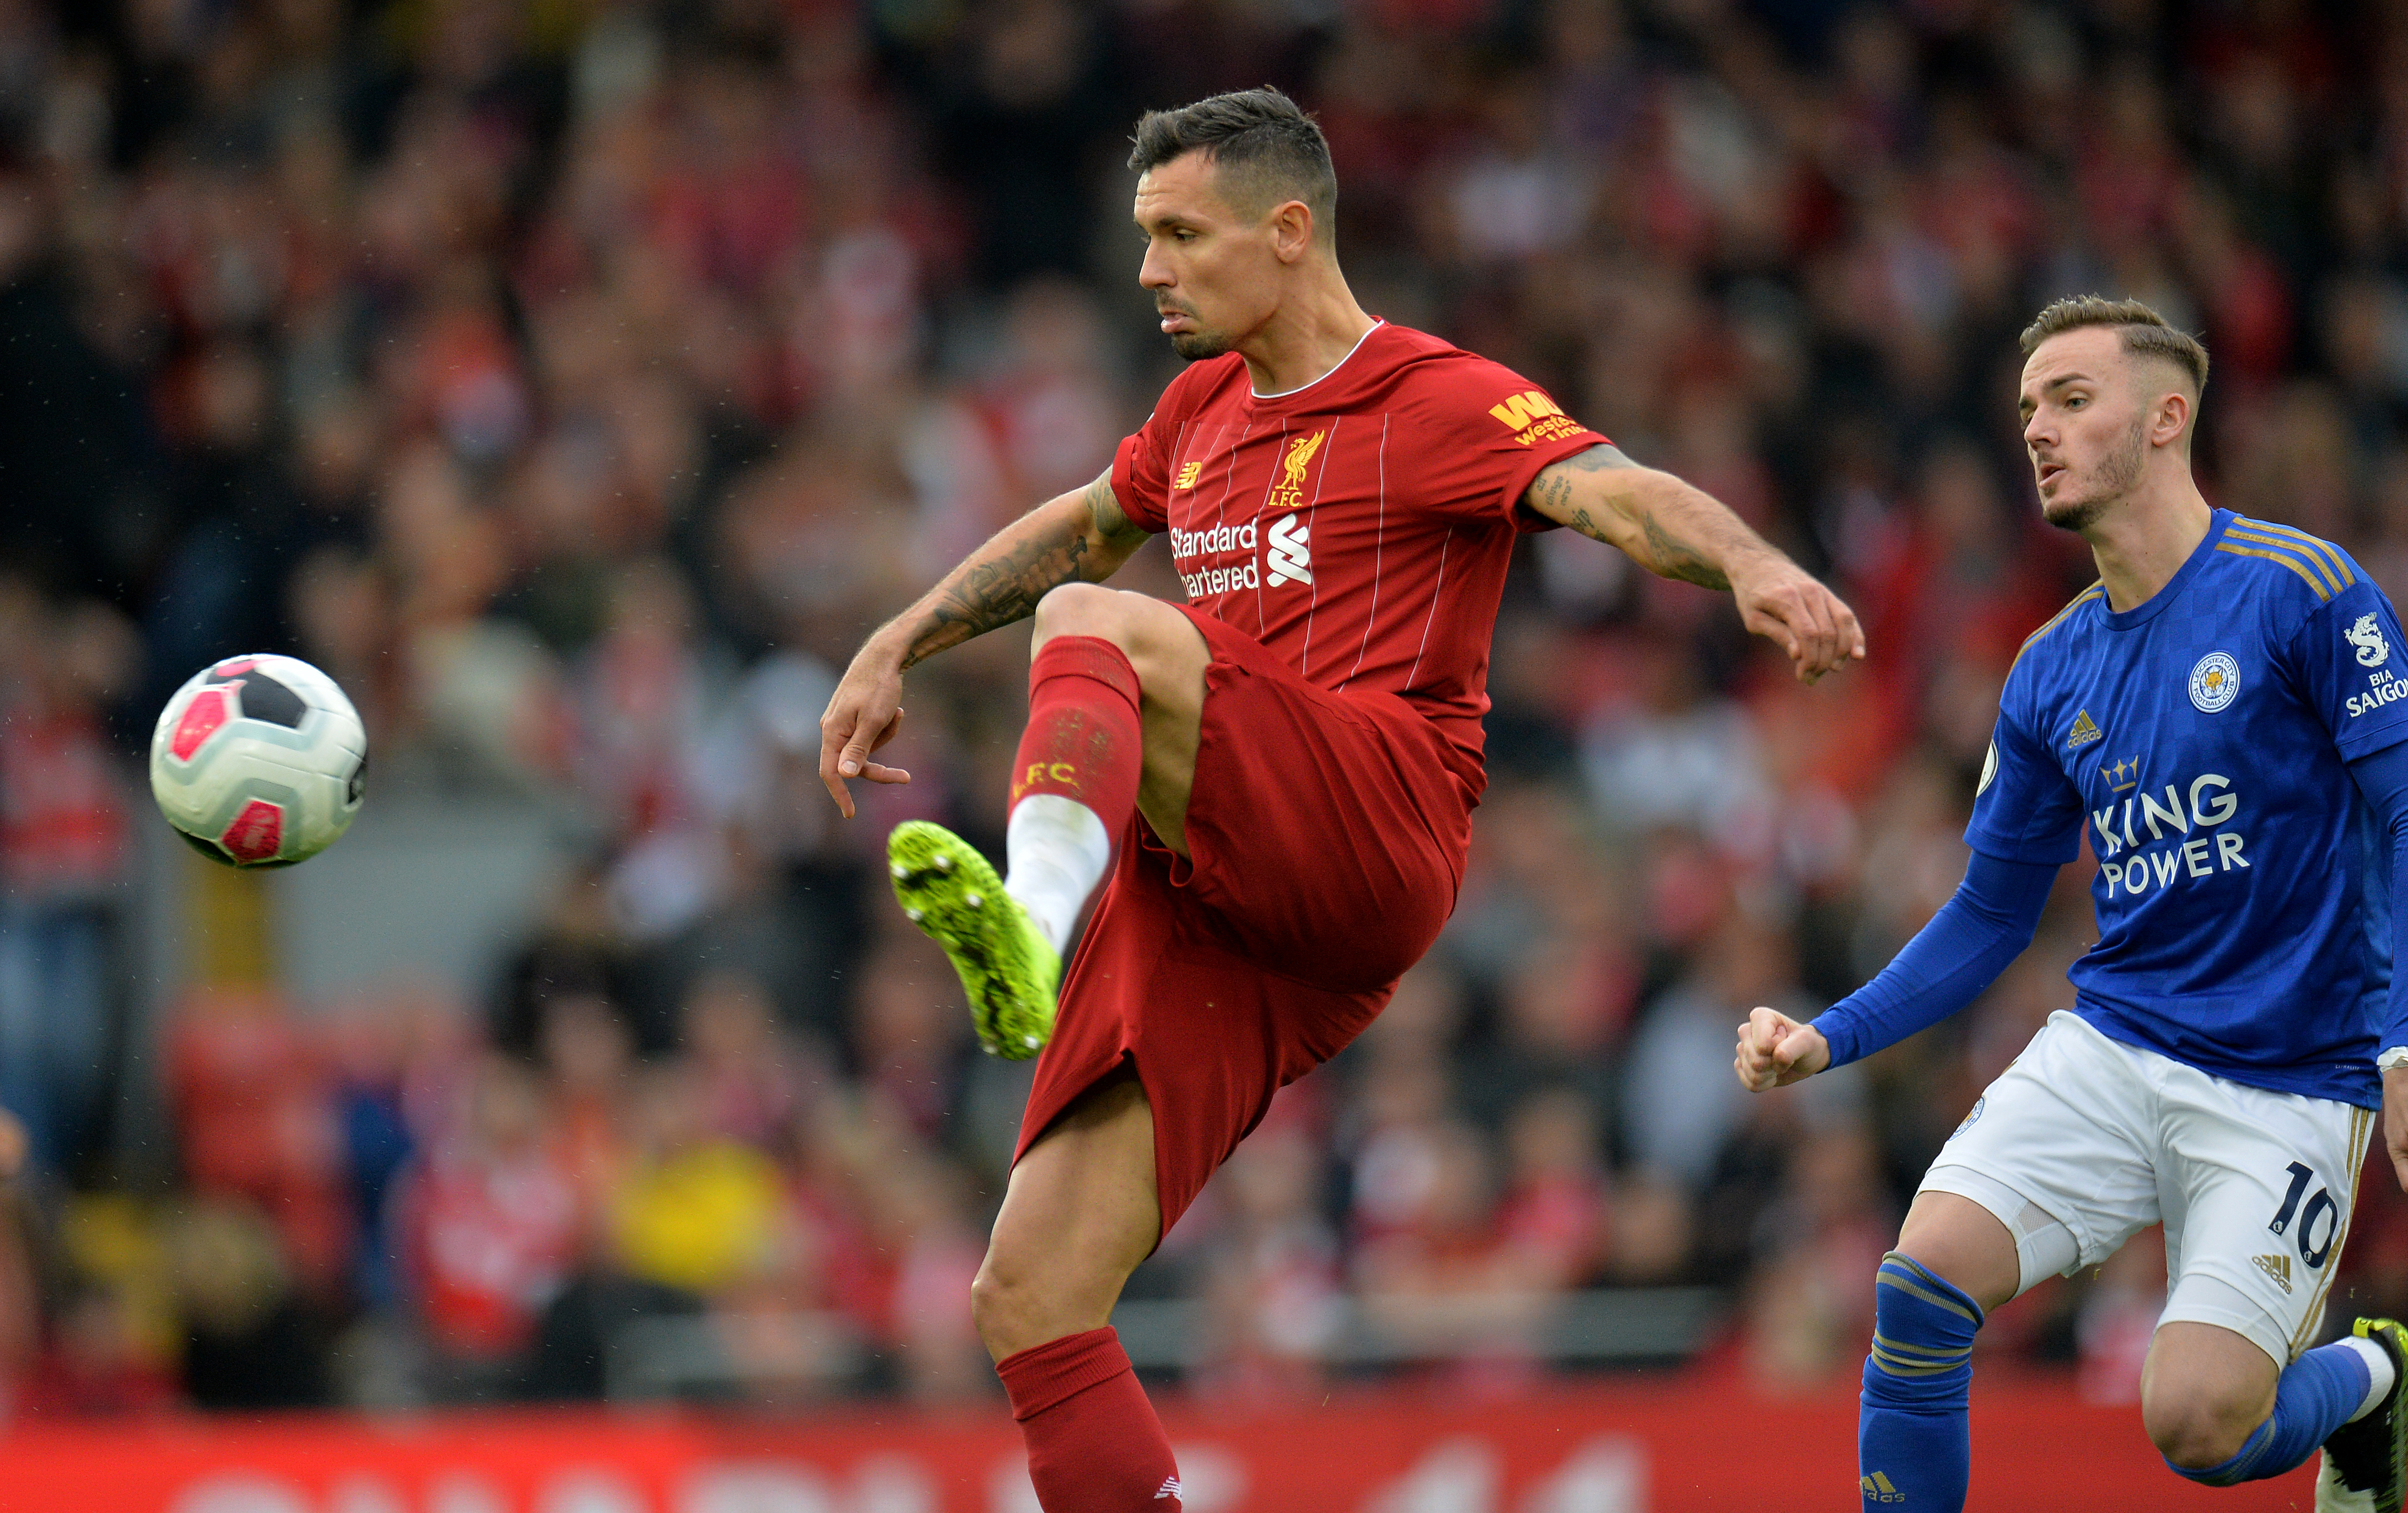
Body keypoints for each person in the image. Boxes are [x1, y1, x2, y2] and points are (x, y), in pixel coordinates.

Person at [819, 88, 1863, 1511]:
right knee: (1030, 1296)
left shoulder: (1431, 396)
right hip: (1225, 891)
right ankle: (1041, 923)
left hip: (1378, 818)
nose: (1150, 270)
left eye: (1182, 235)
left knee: (1097, 622)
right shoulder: (1197, 411)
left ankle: (1033, 917)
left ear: (1289, 231)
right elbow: (1082, 517)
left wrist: (1750, 567)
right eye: (1144, 236)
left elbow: (1612, 493)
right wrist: (896, 638)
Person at [1735, 296, 2408, 1512]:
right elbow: (1993, 914)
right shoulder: (2050, 667)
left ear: (2167, 417)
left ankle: (2374, 1377)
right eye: (2029, 407)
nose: (2037, 428)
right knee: (1920, 1281)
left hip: (2294, 1074)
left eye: (2071, 399)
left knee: (2199, 1424)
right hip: (2117, 1042)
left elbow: (2403, 819)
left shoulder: (2304, 591)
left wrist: (2404, 1045)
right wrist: (1829, 1033)